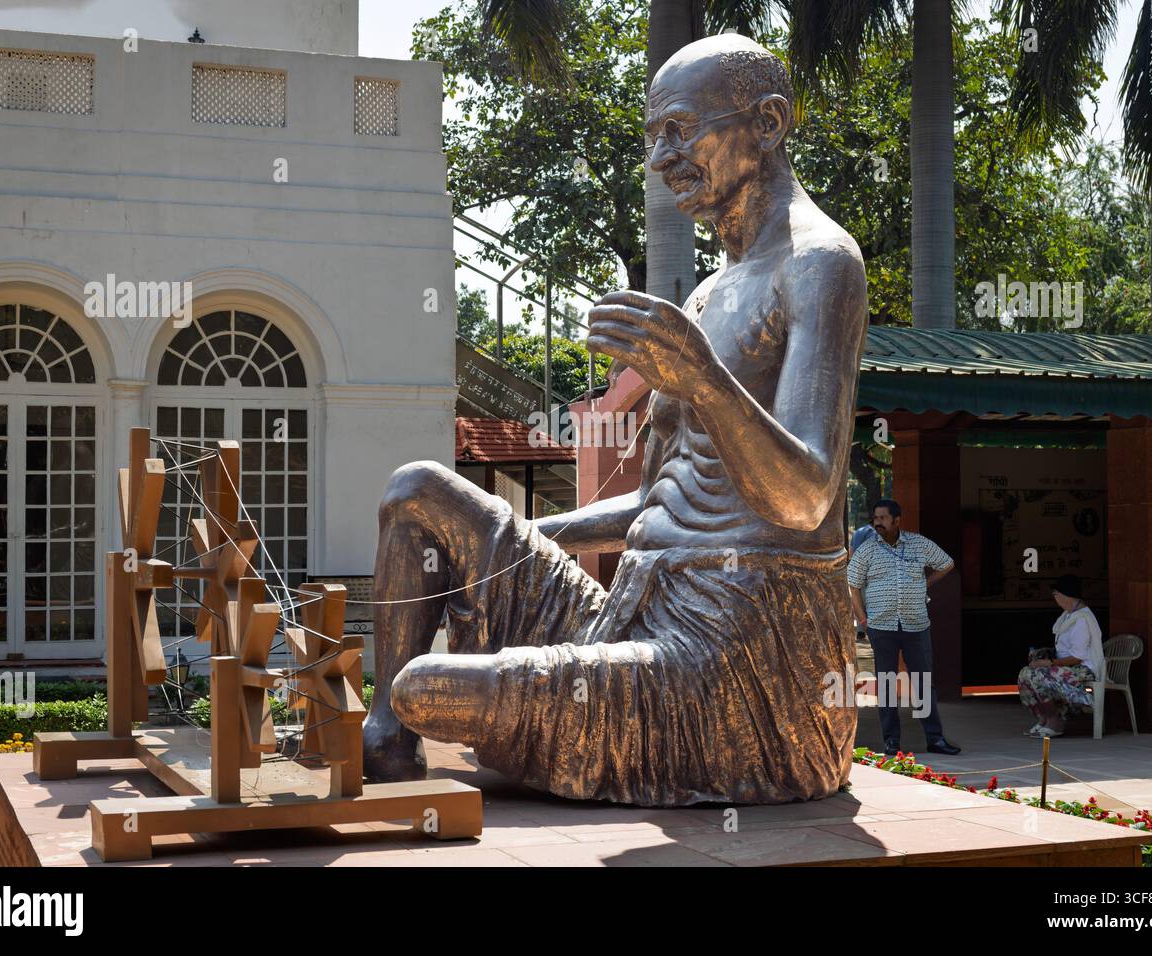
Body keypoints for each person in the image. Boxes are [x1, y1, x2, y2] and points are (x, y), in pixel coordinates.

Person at [358, 33, 870, 807]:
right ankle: (384, 744)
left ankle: (414, 715)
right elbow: (648, 508)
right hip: (633, 612)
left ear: (767, 123)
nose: (662, 160)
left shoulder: (820, 264)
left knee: (426, 687)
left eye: (681, 130)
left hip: (736, 655)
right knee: (419, 494)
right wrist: (508, 544)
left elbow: (806, 497)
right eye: (652, 137)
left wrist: (701, 379)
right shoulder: (706, 293)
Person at [846, 499, 961, 755]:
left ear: (897, 520)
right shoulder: (867, 550)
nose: (878, 523)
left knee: (922, 683)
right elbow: (852, 582)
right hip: (881, 625)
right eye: (875, 518)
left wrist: (925, 584)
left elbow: (947, 563)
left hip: (916, 625)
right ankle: (891, 742)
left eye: (883, 518)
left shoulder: (918, 544)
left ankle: (935, 739)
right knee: (886, 684)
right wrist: (862, 617)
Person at [1018, 574, 1104, 738]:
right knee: (1025, 673)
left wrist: (1049, 663)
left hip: (1082, 669)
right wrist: (1044, 655)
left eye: (1056, 595)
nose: (1055, 599)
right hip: (1065, 665)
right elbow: (1063, 648)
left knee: (1039, 675)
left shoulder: (1082, 620)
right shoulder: (1068, 616)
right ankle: (1043, 718)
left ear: (1066, 596)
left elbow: (1077, 657)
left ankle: (1055, 720)